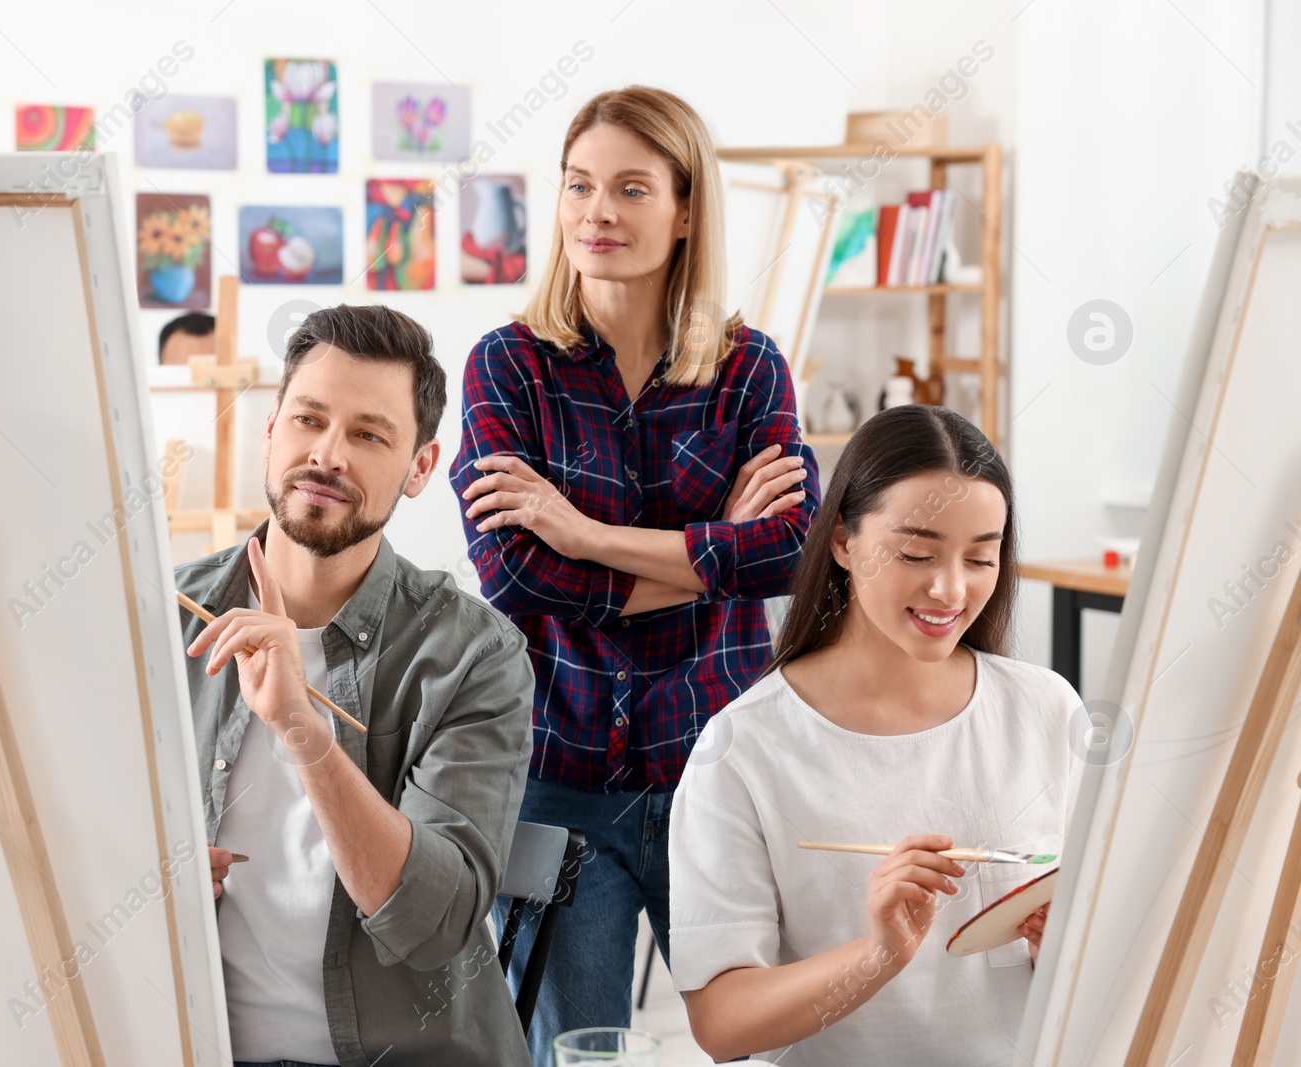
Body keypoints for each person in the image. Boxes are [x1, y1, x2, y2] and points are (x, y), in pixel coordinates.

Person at [449, 85, 818, 1063]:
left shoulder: (749, 372)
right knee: (576, 1051)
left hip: (719, 771)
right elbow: (516, 575)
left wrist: (585, 530)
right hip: (556, 773)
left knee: (769, 1041)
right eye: (577, 186)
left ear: (686, 208)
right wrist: (710, 552)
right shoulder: (505, 369)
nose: (596, 212)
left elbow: (789, 549)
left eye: (628, 187)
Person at [669, 405, 1083, 1066]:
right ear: (840, 541)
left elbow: (1102, 947)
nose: (950, 588)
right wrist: (877, 955)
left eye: (981, 557)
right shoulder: (743, 748)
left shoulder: (1046, 710)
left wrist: (1067, 944)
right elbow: (721, 1022)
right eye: (916, 552)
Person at [176, 304, 534, 1066]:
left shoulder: (474, 652)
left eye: (369, 434)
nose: (328, 454)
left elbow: (433, 925)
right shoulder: (163, 617)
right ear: (271, 429)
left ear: (419, 468)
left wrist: (304, 728)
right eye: (308, 419)